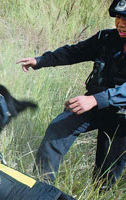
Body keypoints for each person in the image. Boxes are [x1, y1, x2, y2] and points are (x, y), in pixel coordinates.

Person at [16, 0, 126, 189]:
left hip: (121, 117)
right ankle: (40, 190)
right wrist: (41, 60)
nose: (121, 23)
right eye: (118, 17)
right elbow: (74, 52)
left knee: (104, 179)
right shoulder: (106, 38)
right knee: (57, 130)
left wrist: (94, 99)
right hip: (93, 105)